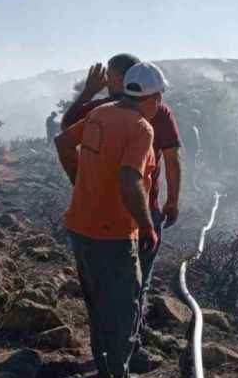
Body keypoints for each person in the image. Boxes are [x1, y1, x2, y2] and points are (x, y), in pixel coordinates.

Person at [55, 62, 166, 378]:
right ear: (153, 97)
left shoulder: (102, 112)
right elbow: (130, 180)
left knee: (98, 304)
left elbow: (62, 142)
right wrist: (147, 226)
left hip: (81, 227)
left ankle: (106, 373)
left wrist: (80, 184)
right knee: (122, 308)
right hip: (115, 235)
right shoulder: (141, 128)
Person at [62, 54, 182, 318]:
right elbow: (171, 160)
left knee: (104, 286)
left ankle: (110, 340)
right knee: (138, 283)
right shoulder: (159, 111)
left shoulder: (102, 109)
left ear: (120, 79)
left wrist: (87, 94)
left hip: (99, 211)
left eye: (110, 76)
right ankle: (127, 342)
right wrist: (172, 201)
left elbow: (65, 132)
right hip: (143, 211)